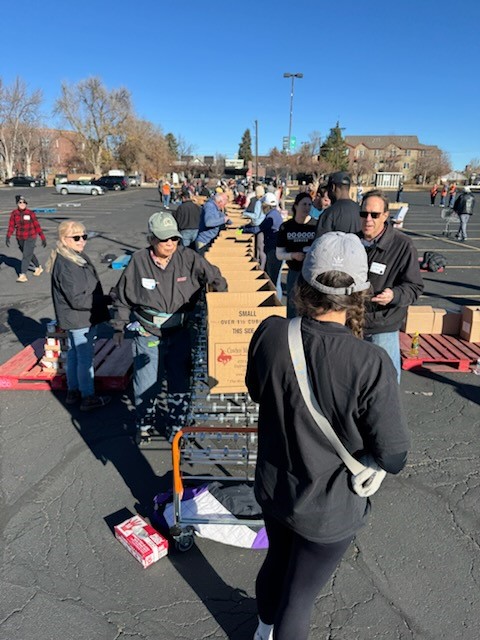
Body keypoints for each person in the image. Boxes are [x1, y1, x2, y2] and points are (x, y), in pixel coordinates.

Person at [246, 232, 410, 640]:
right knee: (299, 598)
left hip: (275, 487)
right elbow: (394, 454)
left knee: (275, 563)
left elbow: (256, 391)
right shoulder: (370, 361)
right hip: (328, 506)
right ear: (361, 293)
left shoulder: (271, 334)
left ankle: (262, 630)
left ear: (303, 283)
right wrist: (372, 460)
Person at [111, 212, 227, 441]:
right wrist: (118, 326)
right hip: (148, 332)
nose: (170, 243)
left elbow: (215, 277)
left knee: (179, 380)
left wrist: (223, 303)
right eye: (164, 239)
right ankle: (145, 423)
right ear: (152, 239)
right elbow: (122, 297)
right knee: (146, 382)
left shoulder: (188, 257)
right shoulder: (138, 261)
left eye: (174, 238)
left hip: (180, 331)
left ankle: (177, 425)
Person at [358, 189, 424, 380]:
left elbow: (414, 287)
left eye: (374, 215)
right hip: (353, 322)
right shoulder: (352, 241)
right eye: (364, 213)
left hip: (382, 326)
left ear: (386, 216)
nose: (368, 219)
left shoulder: (402, 245)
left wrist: (394, 295)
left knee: (386, 380)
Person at [47, 220, 111, 411]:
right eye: (76, 237)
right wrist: (106, 299)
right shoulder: (67, 264)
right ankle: (87, 396)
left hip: (76, 318)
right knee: (84, 358)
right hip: (80, 318)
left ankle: (73, 390)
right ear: (63, 239)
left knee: (75, 354)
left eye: (84, 236)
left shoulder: (73, 256)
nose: (82, 240)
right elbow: (78, 300)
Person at [276, 192, 316, 317]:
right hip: (294, 272)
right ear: (296, 206)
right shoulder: (286, 227)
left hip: (312, 273)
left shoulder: (316, 225)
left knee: (311, 307)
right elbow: (279, 254)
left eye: (309, 204)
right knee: (293, 307)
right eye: (304, 204)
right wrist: (293, 255)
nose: (307, 207)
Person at [242, 193, 284, 296]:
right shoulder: (275, 214)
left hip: (274, 250)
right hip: (275, 248)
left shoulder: (271, 216)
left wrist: (241, 230)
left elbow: (258, 229)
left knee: (273, 280)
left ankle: (275, 300)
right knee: (275, 279)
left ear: (266, 205)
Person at [6, 195, 47, 283]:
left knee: (26, 255)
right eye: (20, 202)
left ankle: (22, 275)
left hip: (30, 236)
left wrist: (42, 237)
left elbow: (37, 225)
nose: (22, 204)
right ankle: (38, 267)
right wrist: (8, 236)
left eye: (24, 202)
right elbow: (11, 225)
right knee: (28, 253)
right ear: (17, 204)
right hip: (20, 237)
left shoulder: (30, 213)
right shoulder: (14, 213)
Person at [315, 171, 361, 236]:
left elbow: (320, 241)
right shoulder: (360, 210)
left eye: (328, 189)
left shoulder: (329, 213)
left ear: (333, 187)